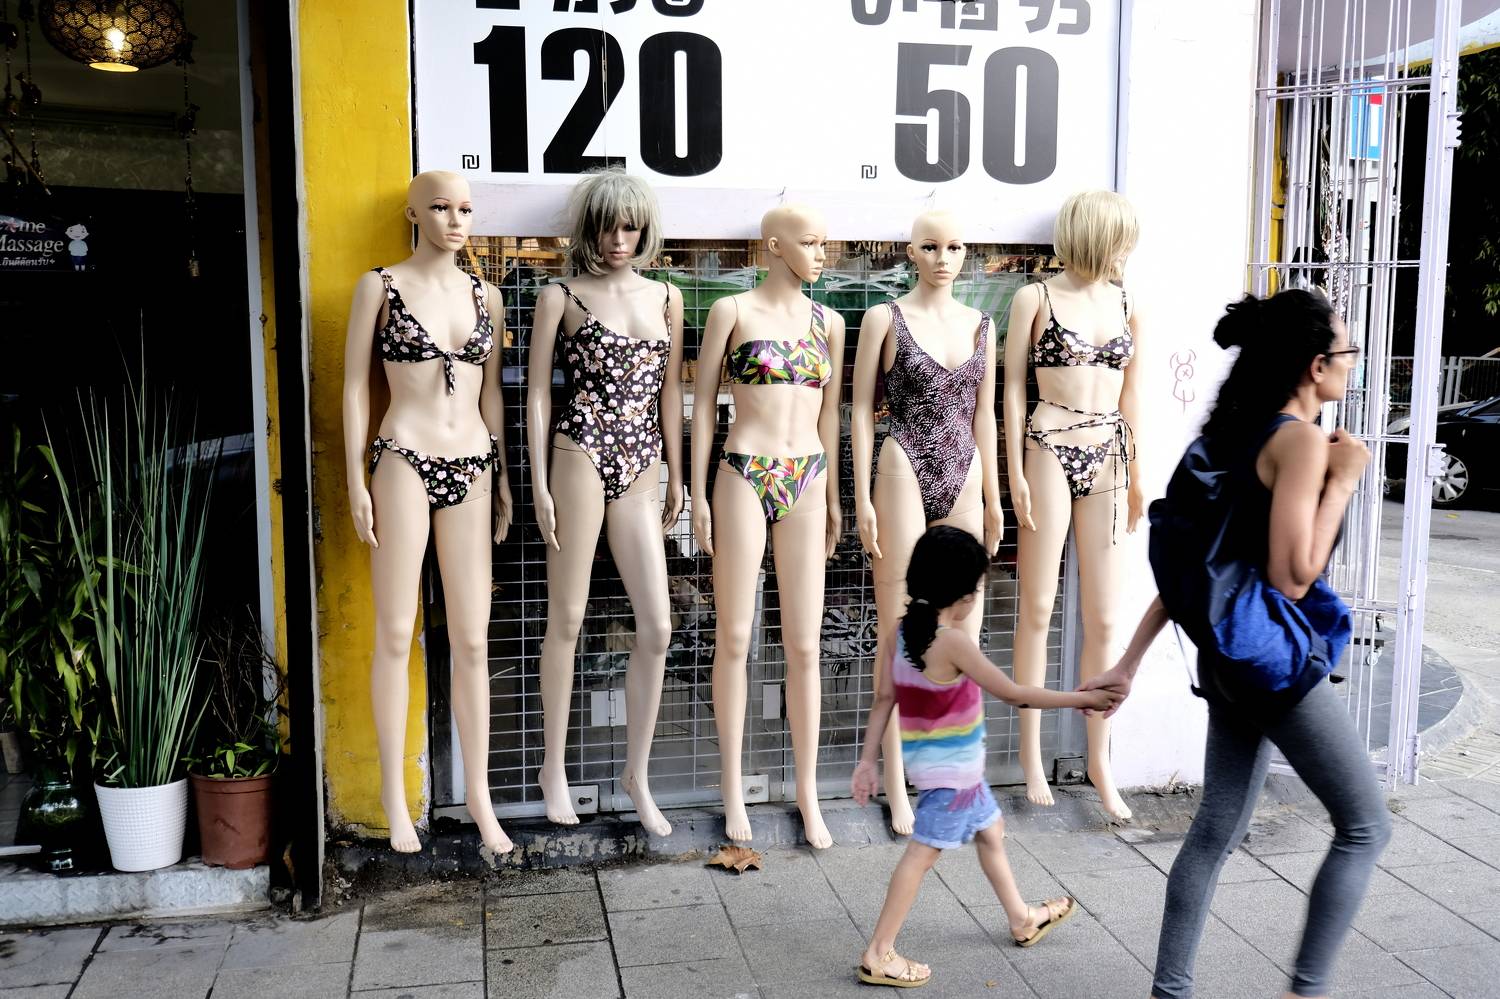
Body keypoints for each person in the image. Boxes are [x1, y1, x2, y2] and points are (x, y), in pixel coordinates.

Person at [1081, 288, 1391, 999]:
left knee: (1215, 829)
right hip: (1273, 667)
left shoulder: (1230, 436)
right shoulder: (1300, 441)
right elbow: (1291, 576)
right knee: (1365, 826)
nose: (1352, 363)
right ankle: (1304, 991)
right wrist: (1344, 481)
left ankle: (1171, 992)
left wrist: (1128, 662)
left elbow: (1201, 570)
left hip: (1227, 660)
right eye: (1347, 351)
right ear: (1316, 365)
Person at [851, 525, 1121, 988]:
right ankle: (879, 952)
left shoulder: (899, 632)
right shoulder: (953, 642)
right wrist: (1083, 699)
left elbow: (883, 700)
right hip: (952, 779)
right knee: (920, 856)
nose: (976, 596)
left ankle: (1022, 919)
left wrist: (866, 761)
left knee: (991, 831)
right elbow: (1015, 694)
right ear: (961, 595)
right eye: (976, 588)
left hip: (945, 772)